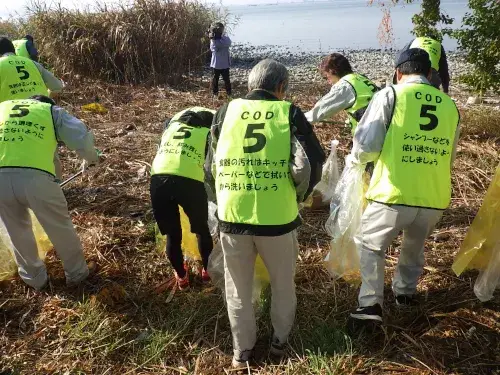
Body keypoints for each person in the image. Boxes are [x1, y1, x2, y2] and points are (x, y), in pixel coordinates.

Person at [205, 59, 326, 368]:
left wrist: (220, 201)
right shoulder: (289, 113)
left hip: (233, 217)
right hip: (278, 220)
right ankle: (279, 342)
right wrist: (300, 195)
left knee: (238, 287)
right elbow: (313, 161)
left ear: (249, 85)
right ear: (281, 88)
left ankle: (241, 352)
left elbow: (209, 167)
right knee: (283, 283)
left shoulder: (225, 112)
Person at [348, 49, 460, 325]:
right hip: (433, 197)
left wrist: (355, 162)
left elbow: (367, 145)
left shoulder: (391, 94)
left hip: (392, 193)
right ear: (430, 74)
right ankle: (405, 293)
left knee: (370, 245)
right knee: (414, 245)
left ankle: (370, 303)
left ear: (398, 72)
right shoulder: (450, 106)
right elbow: (451, 154)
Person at [0, 95, 100, 290]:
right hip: (36, 179)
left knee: (16, 230)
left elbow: (52, 158)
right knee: (59, 227)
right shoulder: (51, 112)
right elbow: (81, 135)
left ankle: (34, 279)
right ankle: (77, 274)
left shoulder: (3, 107)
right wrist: (92, 158)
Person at [150, 107, 216, 290]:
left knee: (172, 235)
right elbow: (211, 165)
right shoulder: (207, 132)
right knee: (202, 230)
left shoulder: (170, 127)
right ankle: (207, 272)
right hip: (190, 182)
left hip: (158, 179)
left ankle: (181, 276)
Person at [305, 53, 379, 134]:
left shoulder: (345, 86)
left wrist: (297, 120)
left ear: (332, 71)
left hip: (368, 134)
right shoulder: (360, 78)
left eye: (326, 77)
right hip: (380, 126)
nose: (328, 82)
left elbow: (320, 111)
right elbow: (362, 107)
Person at [0, 37, 63, 102]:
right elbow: (57, 86)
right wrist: (46, 98)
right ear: (13, 49)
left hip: (10, 111)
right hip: (42, 108)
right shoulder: (34, 64)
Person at [209, 22, 232, 100]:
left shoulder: (225, 38)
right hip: (216, 64)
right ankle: (215, 94)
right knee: (215, 80)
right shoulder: (213, 40)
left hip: (224, 64)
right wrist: (214, 39)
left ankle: (229, 94)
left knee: (227, 80)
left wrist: (217, 39)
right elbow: (214, 48)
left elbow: (228, 43)